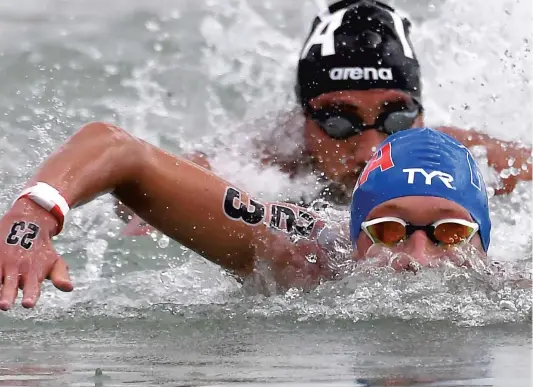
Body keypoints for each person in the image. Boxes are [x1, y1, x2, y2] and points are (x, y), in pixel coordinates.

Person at [118, 0, 531, 234]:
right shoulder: (263, 164)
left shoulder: (462, 159)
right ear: (303, 121)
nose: (370, 149)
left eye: (396, 120)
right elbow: (145, 188)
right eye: (338, 121)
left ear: (420, 116)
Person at [0, 123, 491, 311]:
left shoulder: (512, 293)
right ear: (353, 232)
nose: (418, 258)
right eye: (387, 231)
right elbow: (120, 152)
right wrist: (33, 217)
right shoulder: (303, 253)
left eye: (450, 233)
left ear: (483, 241)